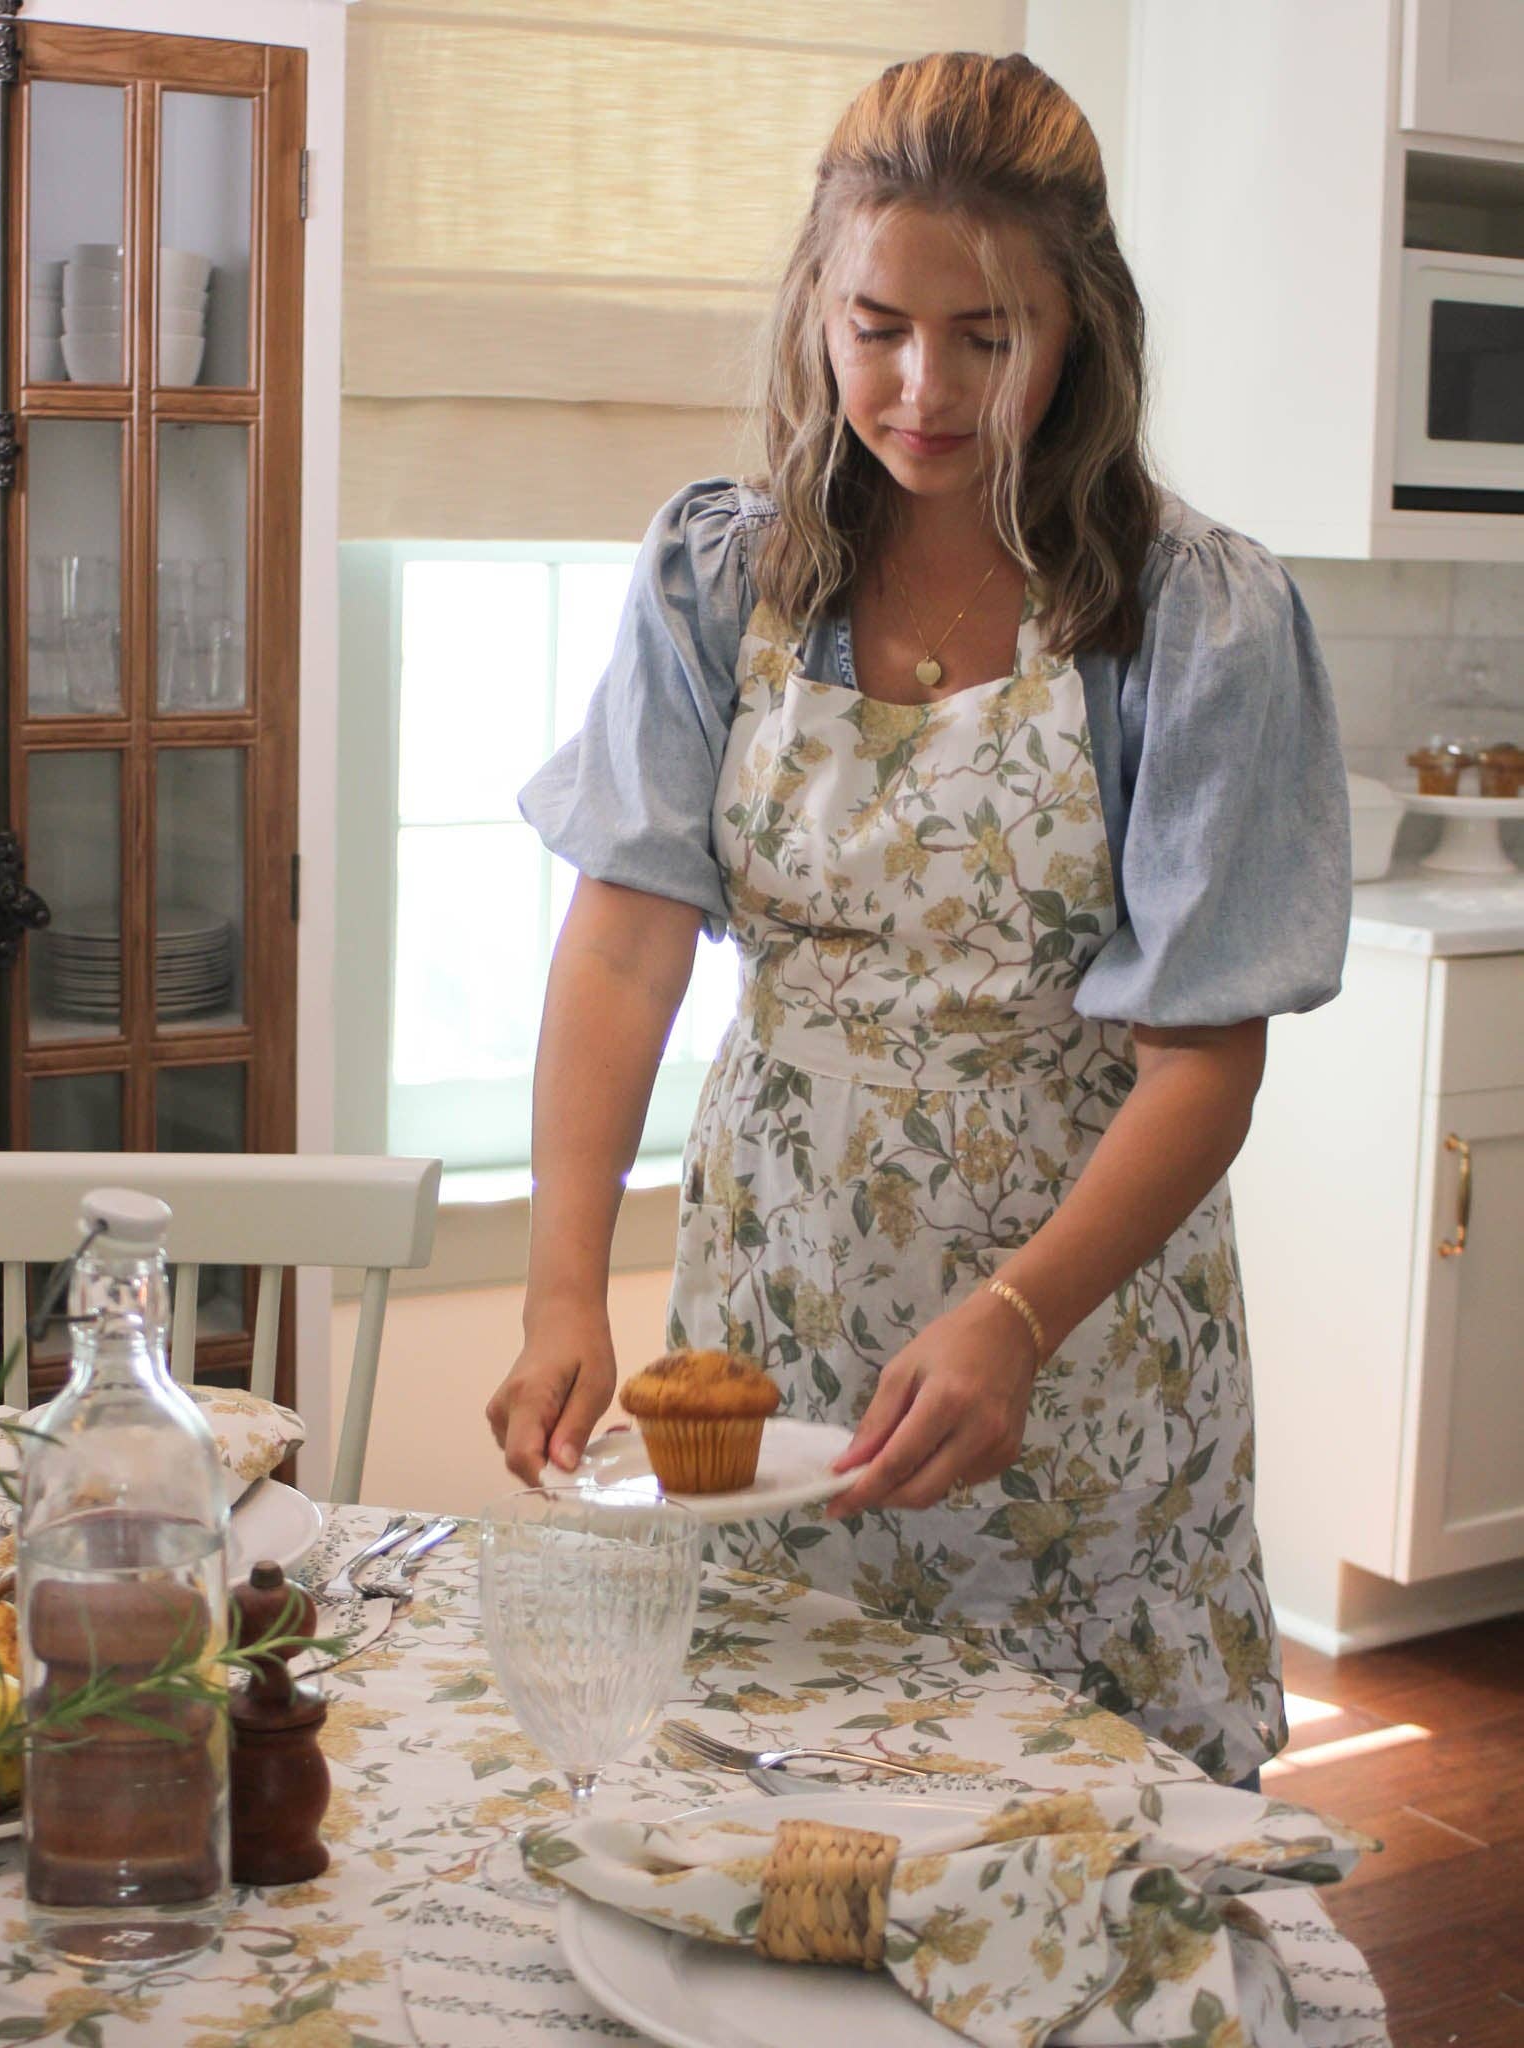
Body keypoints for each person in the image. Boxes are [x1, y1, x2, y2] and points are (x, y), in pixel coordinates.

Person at [484, 50, 1349, 1789]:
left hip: (1079, 1347)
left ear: (1081, 328)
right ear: (816, 299)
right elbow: (625, 945)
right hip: (776, 1314)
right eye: (875, 325)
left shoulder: (1190, 618)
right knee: (770, 1814)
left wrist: (1017, 1317)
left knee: (1082, 1842)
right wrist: (560, 1288)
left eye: (987, 336)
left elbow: (1203, 1056)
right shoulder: (717, 577)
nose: (922, 387)